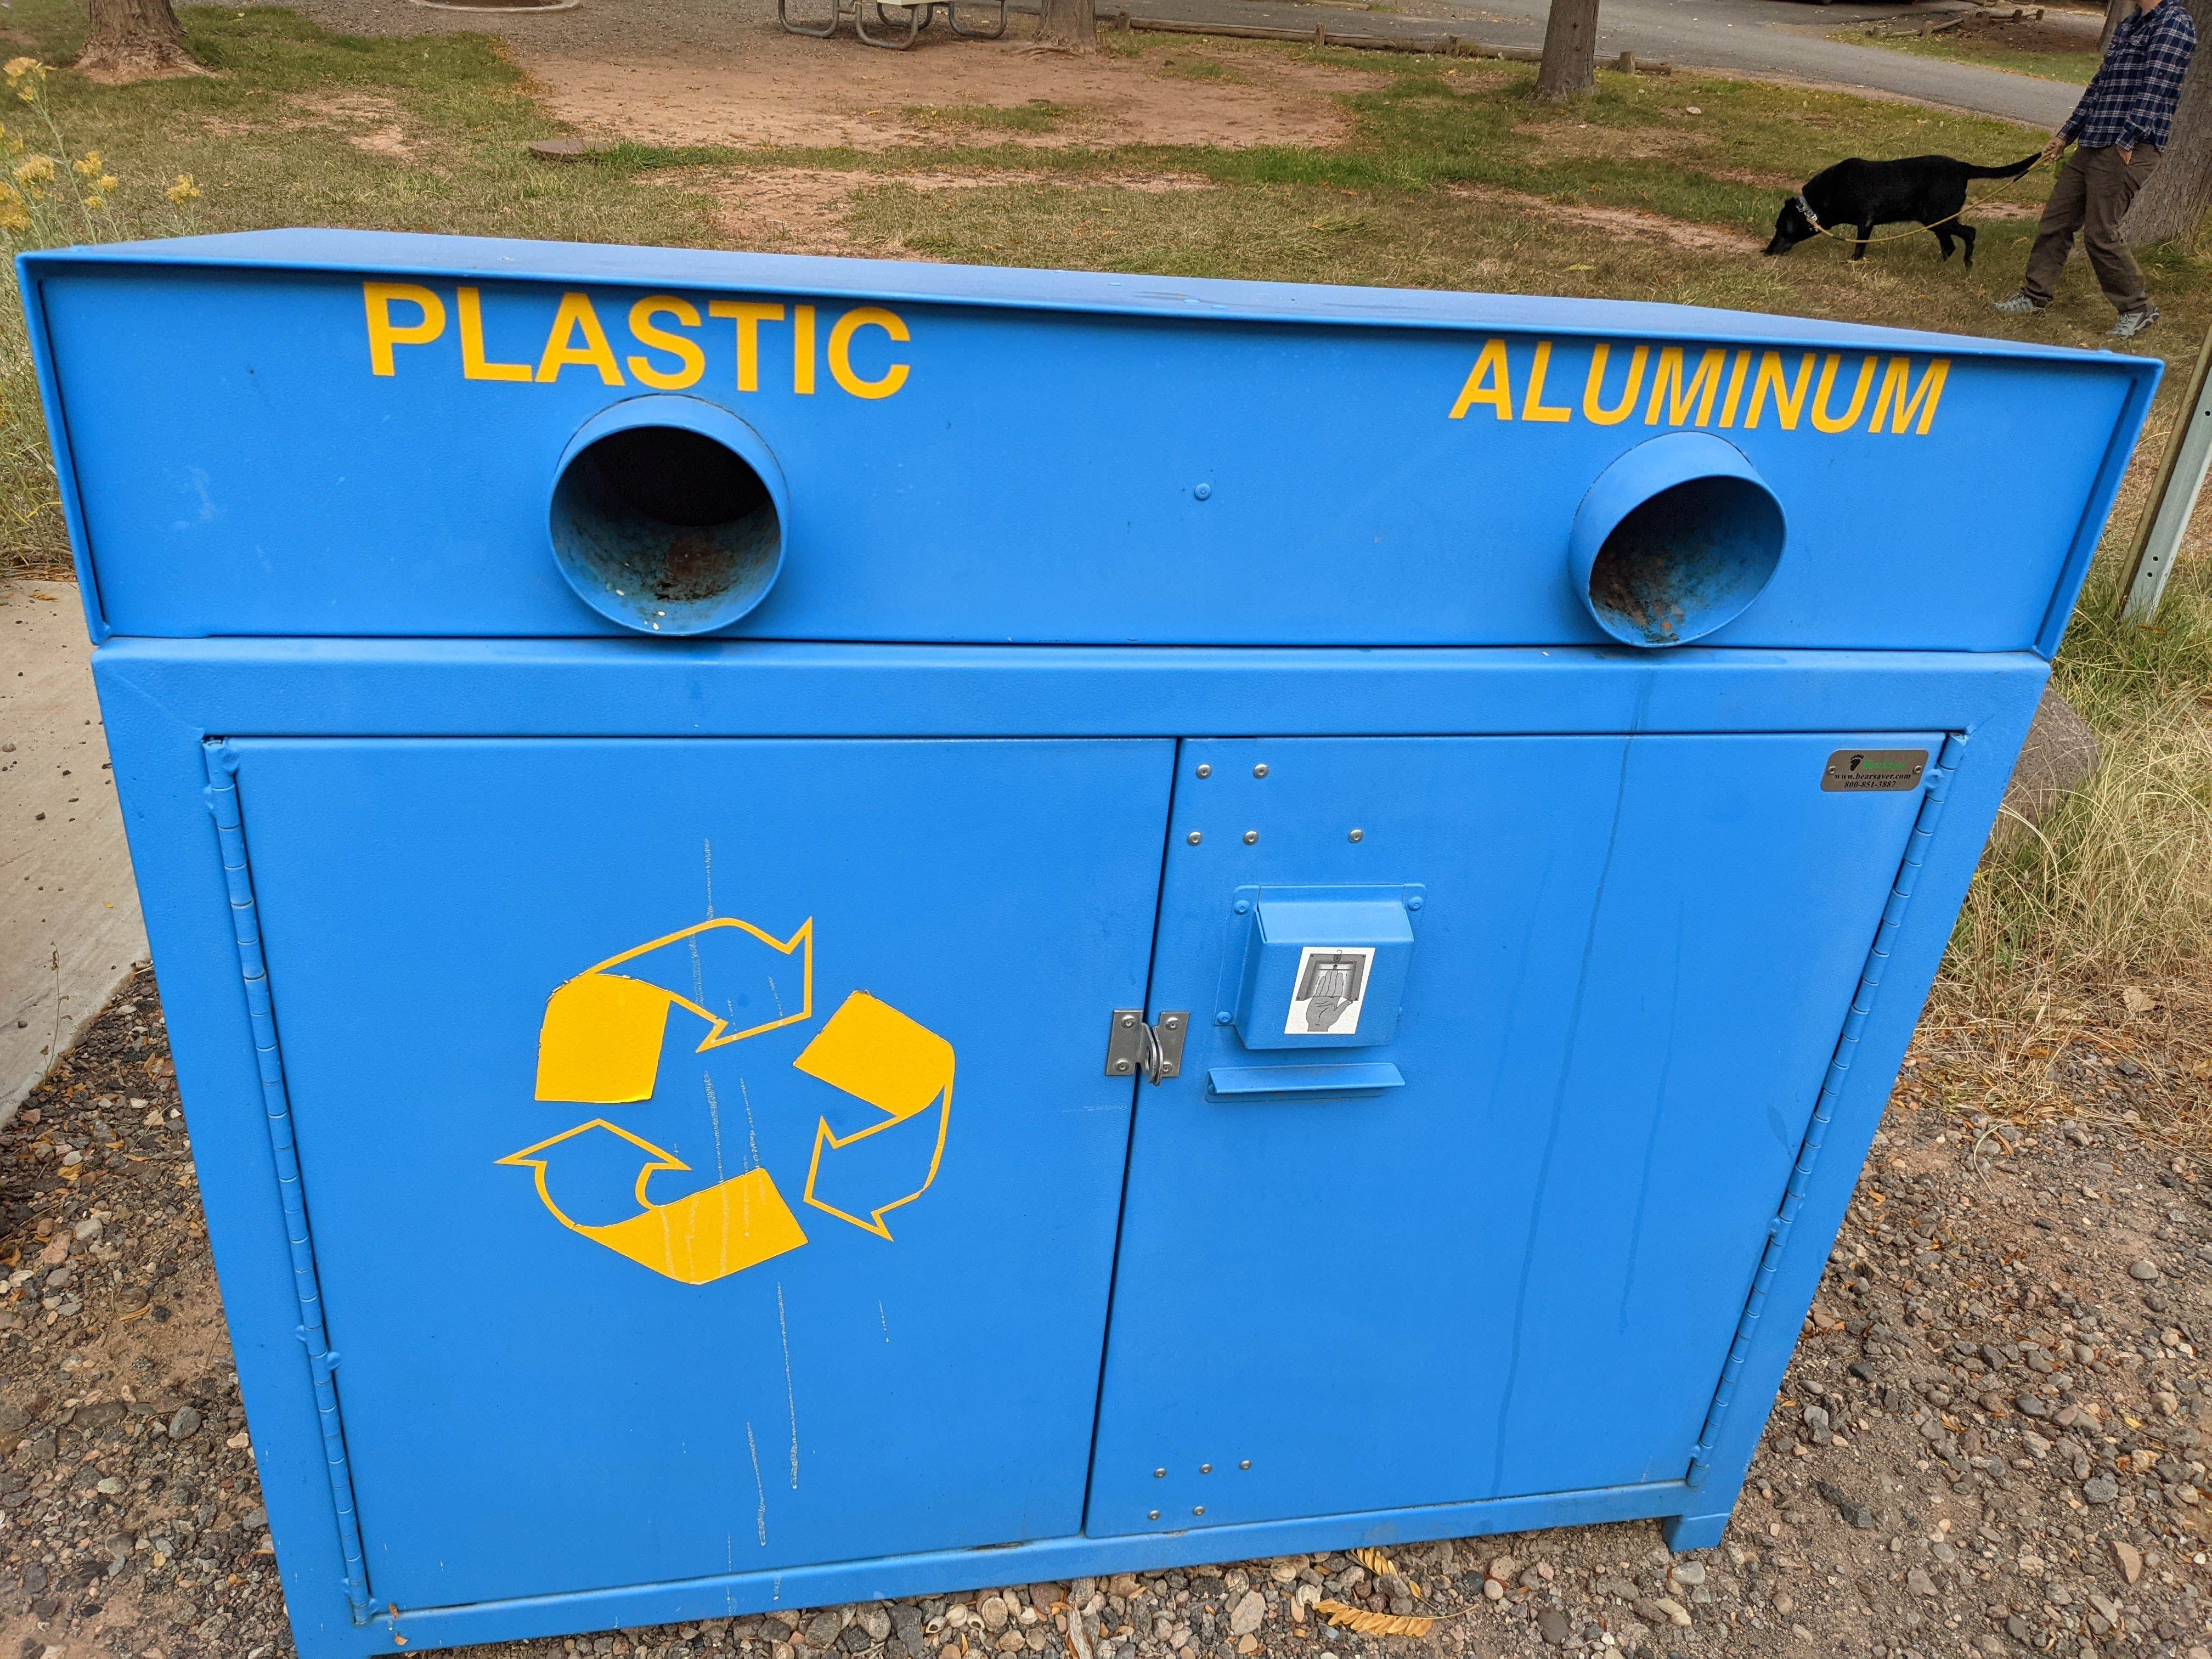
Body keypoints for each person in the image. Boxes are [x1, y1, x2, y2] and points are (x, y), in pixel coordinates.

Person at [1995, 0, 2197, 338]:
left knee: (2101, 232)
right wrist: (2066, 134)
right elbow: (2099, 86)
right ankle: (2034, 296)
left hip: (2128, 146)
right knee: (2056, 221)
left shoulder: (2174, 22)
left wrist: (2128, 141)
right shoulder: (2131, 24)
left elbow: (2156, 90)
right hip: (2093, 140)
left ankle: (2137, 308)